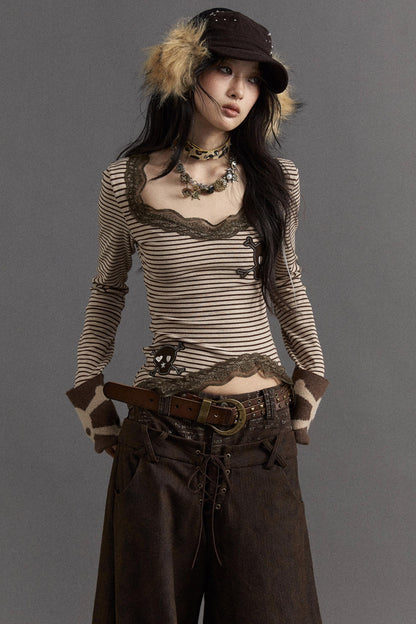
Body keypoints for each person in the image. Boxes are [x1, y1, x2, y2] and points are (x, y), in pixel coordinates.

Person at [66, 8, 329, 624]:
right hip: (162, 439)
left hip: (261, 435)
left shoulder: (277, 180)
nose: (239, 90)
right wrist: (86, 384)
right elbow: (107, 289)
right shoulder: (125, 182)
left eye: (254, 79)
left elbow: (287, 281)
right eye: (224, 70)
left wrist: (313, 371)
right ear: (184, 72)